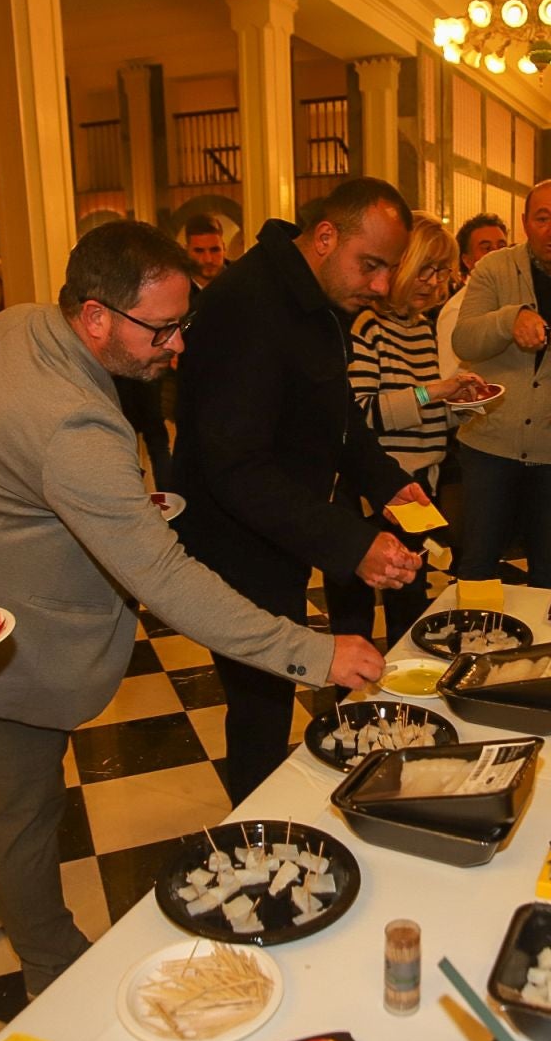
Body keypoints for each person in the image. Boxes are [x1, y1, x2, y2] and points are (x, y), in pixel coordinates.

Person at [0, 221, 382, 996]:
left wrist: (98, 503)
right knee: (23, 798)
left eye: (184, 323)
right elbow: (165, 578)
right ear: (95, 317)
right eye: (163, 329)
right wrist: (315, 652)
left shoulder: (14, 322)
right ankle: (51, 962)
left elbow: (14, 466)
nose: (179, 346)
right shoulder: (74, 430)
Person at [174, 178, 430, 803]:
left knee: (272, 690)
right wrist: (351, 542)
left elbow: (337, 421)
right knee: (261, 703)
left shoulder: (313, 302)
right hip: (236, 539)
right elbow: (235, 466)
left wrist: (399, 493)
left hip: (280, 529)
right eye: (369, 265)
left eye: (388, 270)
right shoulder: (247, 304)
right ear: (323, 237)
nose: (378, 285)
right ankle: (254, 843)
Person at [323, 214, 484, 645]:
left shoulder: (424, 330)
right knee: (352, 620)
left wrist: (460, 407)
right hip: (369, 494)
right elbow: (360, 414)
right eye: (426, 269)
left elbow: (426, 415)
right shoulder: (367, 326)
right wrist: (434, 392)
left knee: (410, 616)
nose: (434, 282)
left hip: (418, 490)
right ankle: (347, 707)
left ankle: (403, 704)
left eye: (442, 271)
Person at [449, 180, 551, 588]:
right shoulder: (493, 269)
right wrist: (509, 320)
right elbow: (463, 339)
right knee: (478, 563)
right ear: (525, 222)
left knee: (548, 569)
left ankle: (542, 653)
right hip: (490, 441)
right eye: (542, 218)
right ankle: (473, 647)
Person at [437, 212, 509, 377]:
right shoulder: (457, 310)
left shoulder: (511, 298)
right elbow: (449, 377)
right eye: (486, 248)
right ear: (467, 260)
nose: (497, 254)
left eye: (502, 247)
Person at [183, 213, 230, 288]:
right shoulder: (175, 286)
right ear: (187, 251)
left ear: (224, 248)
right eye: (199, 251)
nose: (208, 260)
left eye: (215, 250)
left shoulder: (242, 279)